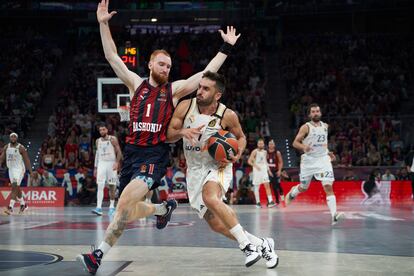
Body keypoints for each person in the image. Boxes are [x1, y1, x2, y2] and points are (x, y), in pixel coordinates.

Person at [77, 1, 241, 274]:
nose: (166, 68)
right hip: (132, 154)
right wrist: (103, 23)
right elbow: (112, 57)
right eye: (162, 64)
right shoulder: (135, 84)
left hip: (154, 156)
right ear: (151, 63)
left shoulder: (174, 91)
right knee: (126, 211)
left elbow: (205, 74)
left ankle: (97, 256)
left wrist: (226, 47)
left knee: (125, 203)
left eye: (169, 65)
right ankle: (162, 209)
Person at [166, 71, 278, 268]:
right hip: (194, 170)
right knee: (216, 224)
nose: (199, 91)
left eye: (205, 89)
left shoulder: (227, 115)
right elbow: (169, 135)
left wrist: (238, 154)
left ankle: (246, 247)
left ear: (217, 95)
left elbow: (241, 137)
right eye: (199, 87)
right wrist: (183, 131)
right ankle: (262, 244)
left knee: (211, 197)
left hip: (217, 166)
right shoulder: (185, 106)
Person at [286, 103, 344, 225]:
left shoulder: (325, 126)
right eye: (313, 111)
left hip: (323, 159)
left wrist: (328, 153)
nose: (316, 113)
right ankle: (293, 192)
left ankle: (334, 215)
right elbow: (295, 143)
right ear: (309, 114)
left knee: (328, 186)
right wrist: (303, 146)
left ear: (320, 113)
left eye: (317, 111)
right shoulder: (305, 127)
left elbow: (323, 143)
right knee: (304, 187)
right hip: (309, 161)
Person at [92, 123, 122, 216]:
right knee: (100, 185)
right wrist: (95, 167)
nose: (102, 131)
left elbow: (119, 152)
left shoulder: (112, 139)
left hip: (111, 163)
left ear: (107, 130)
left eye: (103, 129)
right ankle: (99, 207)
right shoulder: (97, 141)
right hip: (101, 163)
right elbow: (97, 154)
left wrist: (117, 162)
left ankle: (112, 207)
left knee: (112, 185)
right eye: (100, 130)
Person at [0, 133, 33, 215]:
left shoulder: (21, 148)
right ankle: (23, 204)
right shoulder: (6, 147)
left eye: (15, 136)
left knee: (14, 186)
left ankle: (10, 207)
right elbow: (2, 158)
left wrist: (31, 172)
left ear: (17, 138)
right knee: (16, 187)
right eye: (12, 136)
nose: (13, 138)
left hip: (19, 169)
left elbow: (27, 160)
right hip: (10, 169)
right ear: (10, 138)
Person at [248, 138, 276, 208]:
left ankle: (270, 201)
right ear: (257, 144)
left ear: (263, 144)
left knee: (267, 185)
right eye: (259, 143)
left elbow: (265, 162)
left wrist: (268, 170)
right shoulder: (254, 151)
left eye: (262, 143)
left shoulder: (265, 152)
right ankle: (258, 203)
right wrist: (255, 166)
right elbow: (249, 161)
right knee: (257, 187)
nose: (260, 145)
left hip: (264, 171)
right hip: (257, 171)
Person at [267, 139, 284, 205]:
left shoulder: (277, 152)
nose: (271, 145)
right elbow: (265, 163)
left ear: (274, 145)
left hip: (276, 171)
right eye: (270, 144)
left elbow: (280, 162)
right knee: (270, 186)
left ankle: (282, 198)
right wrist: (268, 171)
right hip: (269, 172)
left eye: (272, 144)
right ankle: (275, 200)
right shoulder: (266, 153)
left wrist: (280, 170)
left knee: (278, 185)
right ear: (268, 145)